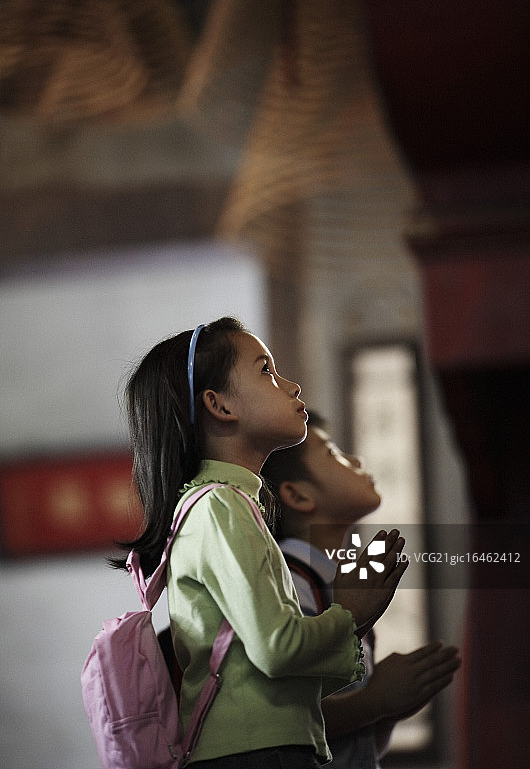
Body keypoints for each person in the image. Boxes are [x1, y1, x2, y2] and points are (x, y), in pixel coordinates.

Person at [113, 317, 409, 768]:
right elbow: (277, 648)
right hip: (254, 753)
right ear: (220, 405)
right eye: (266, 370)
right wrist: (351, 615)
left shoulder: (231, 505)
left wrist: (355, 631)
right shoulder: (219, 508)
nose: (291, 386)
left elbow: (275, 673)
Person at [262, 411, 462, 769]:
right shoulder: (289, 584)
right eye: (333, 453)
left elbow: (355, 747)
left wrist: (389, 709)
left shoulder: (337, 582)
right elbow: (280, 719)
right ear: (298, 494)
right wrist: (375, 702)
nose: (356, 460)